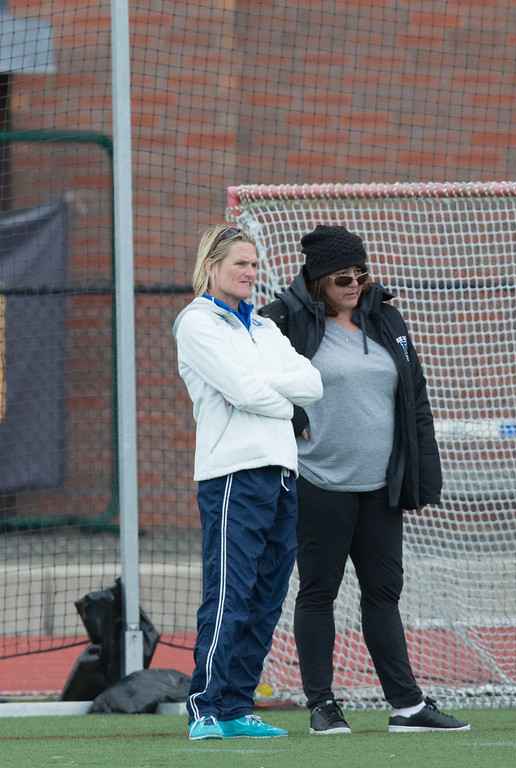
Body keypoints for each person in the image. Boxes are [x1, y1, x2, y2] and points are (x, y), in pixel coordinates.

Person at [259, 224, 469, 735]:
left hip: (380, 488)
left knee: (384, 593)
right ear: (318, 281)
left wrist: (421, 477)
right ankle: (322, 705)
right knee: (318, 592)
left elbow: (414, 396)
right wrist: (291, 417)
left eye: (361, 275)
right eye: (341, 278)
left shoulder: (385, 318)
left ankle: (407, 706)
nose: (354, 285)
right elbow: (254, 381)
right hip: (318, 483)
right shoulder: (284, 321)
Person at [173, 224, 323, 740]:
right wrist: (282, 403)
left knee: (267, 597)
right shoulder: (197, 322)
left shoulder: (263, 327)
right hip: (233, 476)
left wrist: (266, 391)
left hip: (282, 474)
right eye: (240, 262)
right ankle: (205, 706)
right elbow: (239, 390)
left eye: (254, 264)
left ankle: (238, 706)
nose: (250, 272)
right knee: (229, 594)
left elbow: (312, 383)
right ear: (211, 265)